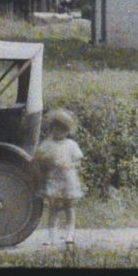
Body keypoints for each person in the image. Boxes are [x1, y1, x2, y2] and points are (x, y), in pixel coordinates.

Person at [32, 107, 84, 256]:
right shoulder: (48, 144)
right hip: (54, 180)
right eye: (55, 128)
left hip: (68, 180)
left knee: (69, 208)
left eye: (62, 129)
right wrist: (48, 162)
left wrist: (71, 165)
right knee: (53, 210)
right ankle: (51, 236)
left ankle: (70, 235)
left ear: (67, 130)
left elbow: (78, 161)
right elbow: (39, 157)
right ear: (52, 128)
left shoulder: (71, 145)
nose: (58, 131)